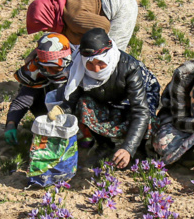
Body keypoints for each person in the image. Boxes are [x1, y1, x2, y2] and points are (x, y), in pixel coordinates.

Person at [60, 28, 159, 168]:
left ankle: (139, 149)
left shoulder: (129, 67)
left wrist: (128, 148)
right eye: (90, 64)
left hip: (139, 94)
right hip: (108, 96)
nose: (96, 70)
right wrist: (58, 118)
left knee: (147, 116)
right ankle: (104, 145)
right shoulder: (79, 66)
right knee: (84, 104)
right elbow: (72, 100)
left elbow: (140, 111)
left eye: (101, 63)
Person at [3, 33, 73, 145]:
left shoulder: (77, 70)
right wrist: (11, 123)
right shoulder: (37, 71)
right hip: (49, 116)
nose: (49, 72)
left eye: (54, 68)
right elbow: (22, 101)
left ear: (65, 60)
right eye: (45, 68)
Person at [62, 0, 138, 48]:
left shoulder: (74, 17)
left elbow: (103, 27)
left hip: (122, 2)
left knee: (111, 50)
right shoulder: (60, 10)